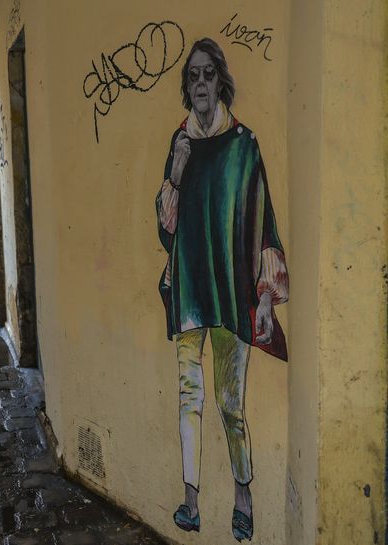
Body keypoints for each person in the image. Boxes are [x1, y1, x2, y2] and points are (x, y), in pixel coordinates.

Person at [156, 38, 288, 542]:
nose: (202, 85)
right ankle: (191, 500)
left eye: (209, 75)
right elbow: (166, 229)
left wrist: (266, 298)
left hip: (231, 291)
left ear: (221, 81)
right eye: (193, 76)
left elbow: (264, 224)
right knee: (190, 396)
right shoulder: (180, 143)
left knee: (231, 405)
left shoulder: (244, 145)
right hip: (189, 287)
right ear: (187, 86)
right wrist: (176, 171)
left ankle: (242, 492)